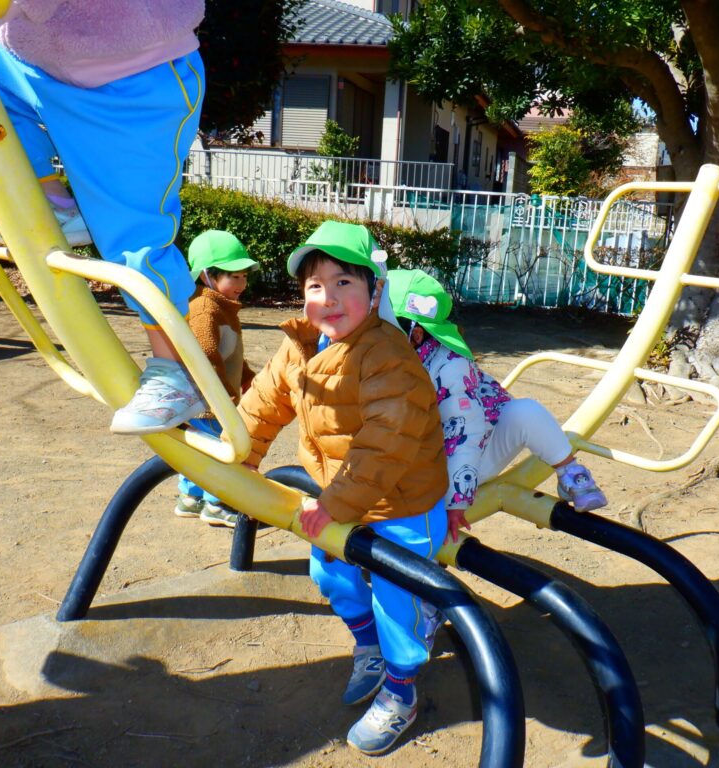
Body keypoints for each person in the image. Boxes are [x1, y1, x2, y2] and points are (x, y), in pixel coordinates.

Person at [0, 0, 208, 436]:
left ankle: (175, 374)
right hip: (34, 60)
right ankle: (52, 200)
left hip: (136, 80)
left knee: (134, 238)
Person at [235, 221, 448, 755]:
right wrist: (238, 459)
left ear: (374, 292)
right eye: (315, 286)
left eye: (343, 283)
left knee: (397, 597)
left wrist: (334, 504)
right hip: (343, 497)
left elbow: (385, 446)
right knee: (330, 574)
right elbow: (262, 404)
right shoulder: (300, 347)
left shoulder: (387, 356)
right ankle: (368, 647)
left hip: (403, 502)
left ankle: (401, 690)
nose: (327, 298)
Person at [384, 268, 607, 545]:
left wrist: (456, 500)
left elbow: (466, 434)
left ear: (416, 335)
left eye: (383, 329)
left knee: (525, 413)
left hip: (469, 453)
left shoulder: (449, 369)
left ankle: (570, 473)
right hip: (415, 457)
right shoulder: (381, 359)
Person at [173, 230, 257, 528]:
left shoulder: (222, 307)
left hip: (210, 399)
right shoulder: (205, 309)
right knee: (220, 449)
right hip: (209, 402)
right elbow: (206, 354)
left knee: (199, 449)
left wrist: (246, 376)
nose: (242, 284)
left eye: (244, 276)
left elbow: (229, 352)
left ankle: (190, 497)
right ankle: (216, 503)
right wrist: (223, 396)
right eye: (234, 277)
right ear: (206, 275)